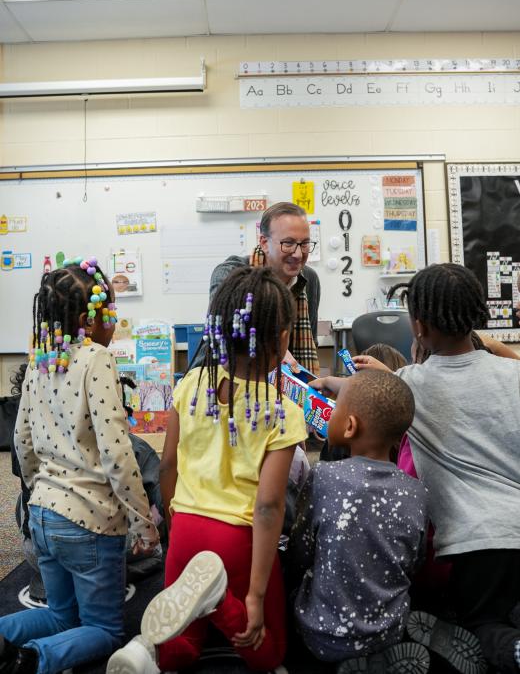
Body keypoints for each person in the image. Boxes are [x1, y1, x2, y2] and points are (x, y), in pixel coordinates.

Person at [317, 263, 520, 674]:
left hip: (473, 545)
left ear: (420, 328)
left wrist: (329, 382)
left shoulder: (412, 383)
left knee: (481, 627)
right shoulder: (514, 374)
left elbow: (373, 396)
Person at [106, 266, 308, 674]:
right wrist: (253, 594)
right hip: (238, 539)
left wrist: (175, 519)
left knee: (183, 638)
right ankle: (220, 599)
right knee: (267, 650)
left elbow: (167, 464)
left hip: (186, 528)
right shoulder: (283, 413)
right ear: (281, 337)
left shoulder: (192, 383)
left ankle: (148, 651)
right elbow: (269, 507)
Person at [0, 257, 159, 674]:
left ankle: (3, 638)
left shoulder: (40, 360)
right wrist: (143, 522)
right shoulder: (96, 359)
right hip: (91, 523)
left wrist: (42, 491)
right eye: (111, 310)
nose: (116, 320)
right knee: (105, 630)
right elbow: (117, 454)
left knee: (60, 614)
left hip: (42, 516)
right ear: (93, 317)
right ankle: (32, 660)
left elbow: (22, 441)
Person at [288, 370, 429, 672]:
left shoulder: (324, 477)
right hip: (390, 632)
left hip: (321, 636)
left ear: (349, 426)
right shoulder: (415, 491)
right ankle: (374, 656)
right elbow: (414, 562)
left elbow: (301, 553)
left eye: (335, 407)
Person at [208, 202, 321, 375]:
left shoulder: (309, 280)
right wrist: (276, 351)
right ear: (264, 242)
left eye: (305, 244)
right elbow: (222, 334)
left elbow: (311, 339)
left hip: (286, 386)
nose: (298, 254)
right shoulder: (231, 274)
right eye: (288, 243)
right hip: (228, 381)